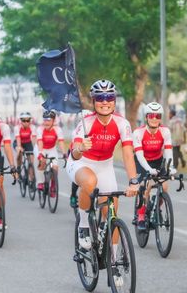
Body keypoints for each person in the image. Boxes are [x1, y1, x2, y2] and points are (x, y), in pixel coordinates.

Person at [65, 79, 138, 260]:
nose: (105, 101)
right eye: (100, 97)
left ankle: (114, 261)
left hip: (105, 166)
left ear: (114, 100)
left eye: (109, 97)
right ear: (93, 101)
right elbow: (74, 153)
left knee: (111, 214)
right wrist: (80, 148)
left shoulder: (122, 124)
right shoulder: (86, 122)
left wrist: (133, 181)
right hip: (82, 163)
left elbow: (128, 154)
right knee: (89, 182)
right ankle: (83, 226)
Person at [133, 102, 176, 230]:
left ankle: (157, 208)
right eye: (151, 115)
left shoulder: (165, 131)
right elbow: (139, 156)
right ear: (146, 117)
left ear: (160, 118)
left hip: (158, 160)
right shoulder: (138, 133)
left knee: (164, 186)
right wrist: (148, 170)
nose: (154, 118)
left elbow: (168, 152)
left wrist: (170, 167)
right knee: (144, 187)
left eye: (157, 116)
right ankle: (141, 215)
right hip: (142, 162)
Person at [14, 111, 36, 186]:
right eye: (24, 120)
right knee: (19, 151)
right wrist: (20, 147)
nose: (26, 122)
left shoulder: (33, 127)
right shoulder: (17, 128)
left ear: (30, 121)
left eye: (28, 120)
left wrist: (33, 151)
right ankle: (19, 168)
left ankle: (31, 178)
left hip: (28, 143)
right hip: (19, 142)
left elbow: (33, 140)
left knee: (31, 160)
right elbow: (18, 139)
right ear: (21, 121)